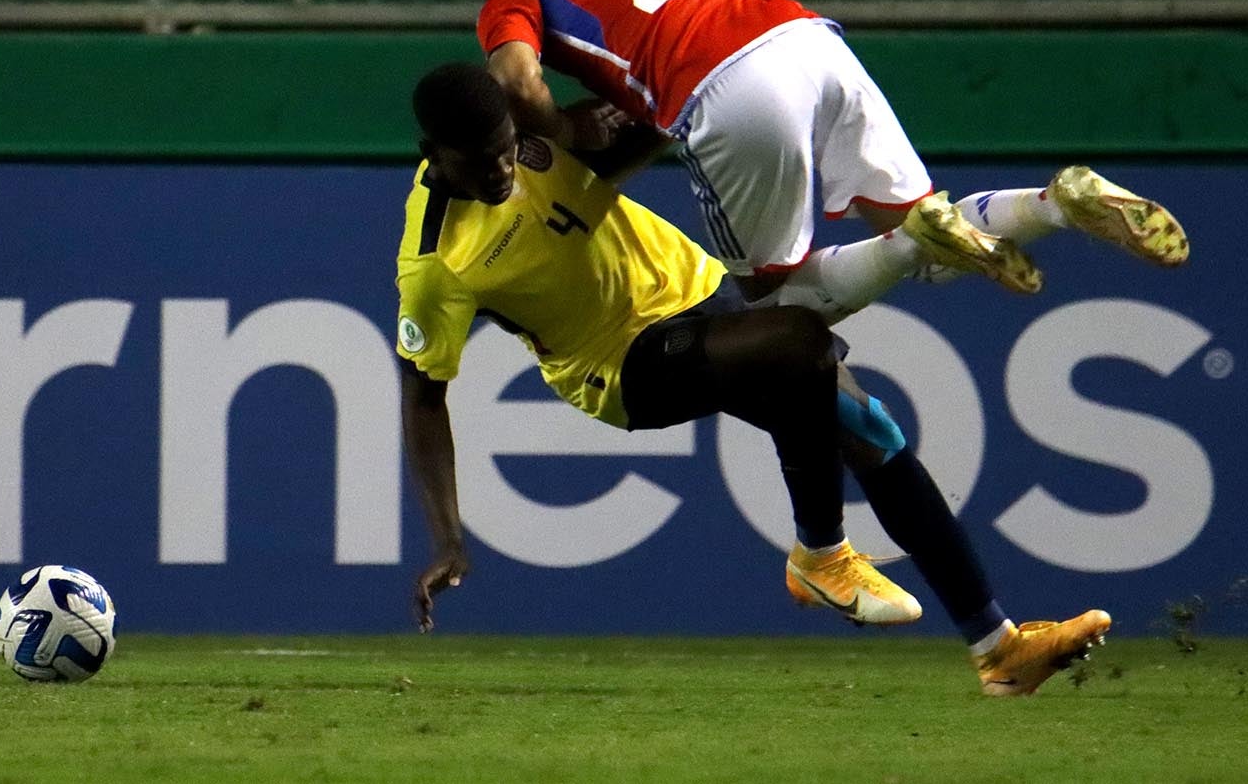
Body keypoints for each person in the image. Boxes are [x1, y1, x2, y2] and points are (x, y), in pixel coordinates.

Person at [396, 62, 1110, 696]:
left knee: (870, 432)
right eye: (479, 163)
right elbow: (424, 400)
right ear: (433, 155)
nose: (500, 171)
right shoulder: (435, 263)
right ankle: (820, 552)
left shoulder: (535, 139)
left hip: (704, 297)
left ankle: (1000, 649)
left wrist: (668, 107)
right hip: (620, 365)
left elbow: (631, 140)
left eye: (503, 152)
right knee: (798, 342)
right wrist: (447, 537)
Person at [460, 0, 1189, 325]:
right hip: (804, 40)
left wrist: (567, 128)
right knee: (932, 246)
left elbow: (516, 82)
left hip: (726, 93)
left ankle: (913, 239)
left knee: (775, 311)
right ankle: (1059, 201)